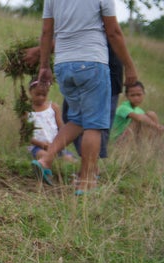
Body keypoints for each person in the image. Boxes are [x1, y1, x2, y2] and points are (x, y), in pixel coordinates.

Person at [33, 0, 137, 194]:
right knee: (94, 125)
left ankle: (46, 159)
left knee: (78, 120)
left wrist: (44, 65)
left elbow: (47, 31)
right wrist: (129, 66)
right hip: (92, 62)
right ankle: (86, 182)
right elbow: (113, 32)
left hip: (63, 65)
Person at [25, 79, 76, 163]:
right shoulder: (27, 111)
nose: (41, 97)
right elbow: (26, 136)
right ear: (30, 92)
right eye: (37, 94)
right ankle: (50, 165)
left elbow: (62, 128)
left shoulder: (53, 107)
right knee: (45, 156)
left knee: (71, 160)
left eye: (44, 95)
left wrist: (58, 144)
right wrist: (42, 144)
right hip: (37, 146)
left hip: (55, 145)